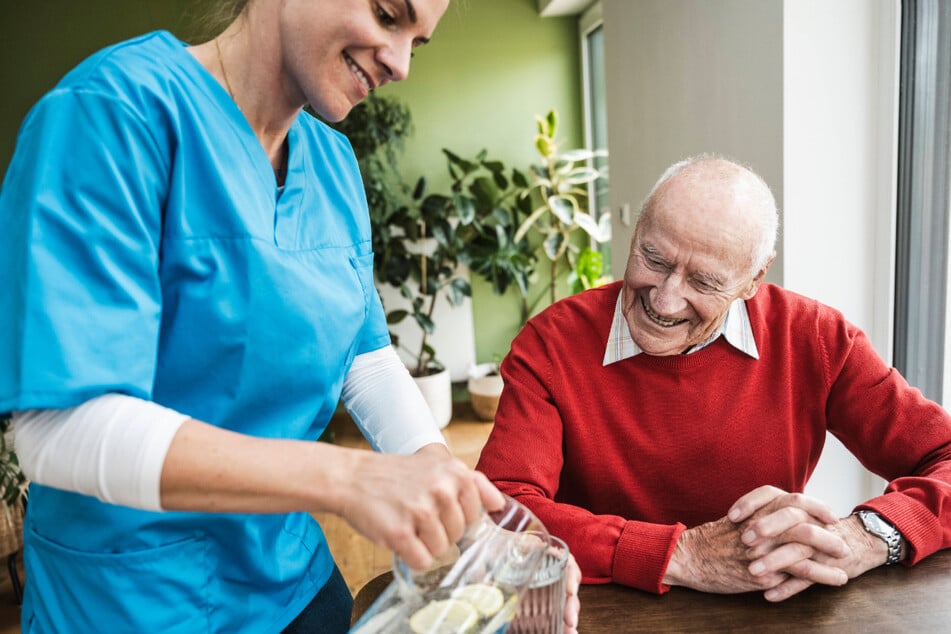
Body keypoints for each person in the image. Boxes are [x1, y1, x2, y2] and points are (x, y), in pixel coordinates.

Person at [0, 0, 580, 631]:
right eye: (389, 15)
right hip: (130, 597)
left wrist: (451, 492)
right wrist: (352, 478)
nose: (401, 63)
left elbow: (364, 355)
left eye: (420, 41)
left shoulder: (331, 162)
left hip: (288, 577)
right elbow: (59, 429)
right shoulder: (113, 114)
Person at [476, 155, 951, 604]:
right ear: (636, 231)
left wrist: (869, 534)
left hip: (767, 614)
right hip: (595, 610)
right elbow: (497, 510)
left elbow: (944, 456)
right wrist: (682, 555)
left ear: (753, 279)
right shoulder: (551, 343)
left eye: (704, 282)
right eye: (654, 259)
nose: (664, 301)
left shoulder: (818, 338)